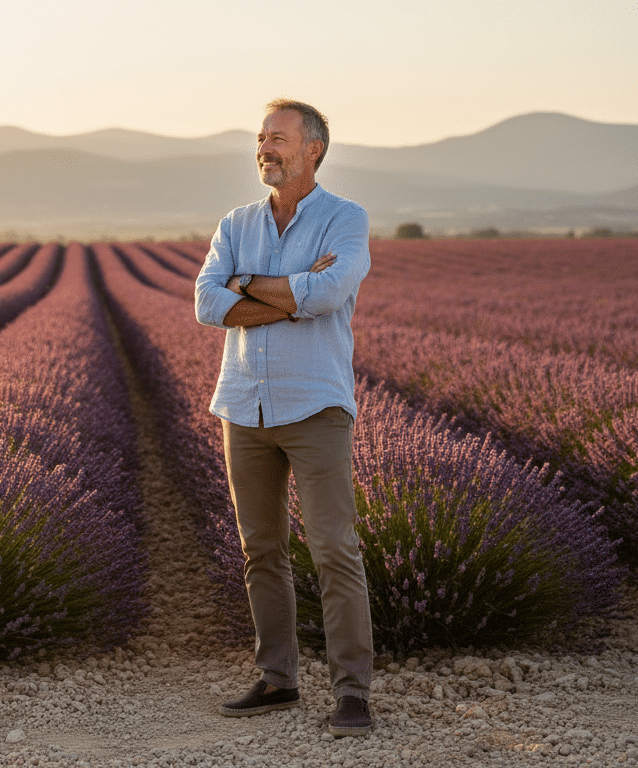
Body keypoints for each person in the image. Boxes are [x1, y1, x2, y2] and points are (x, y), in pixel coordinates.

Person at [193, 98, 374, 738]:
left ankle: (353, 693)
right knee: (259, 550)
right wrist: (285, 291)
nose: (264, 148)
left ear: (312, 150)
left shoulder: (344, 219)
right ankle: (278, 680)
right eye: (261, 138)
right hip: (244, 404)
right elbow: (206, 304)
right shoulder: (236, 222)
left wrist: (251, 286)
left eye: (278, 139)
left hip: (315, 405)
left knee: (333, 549)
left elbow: (331, 291)